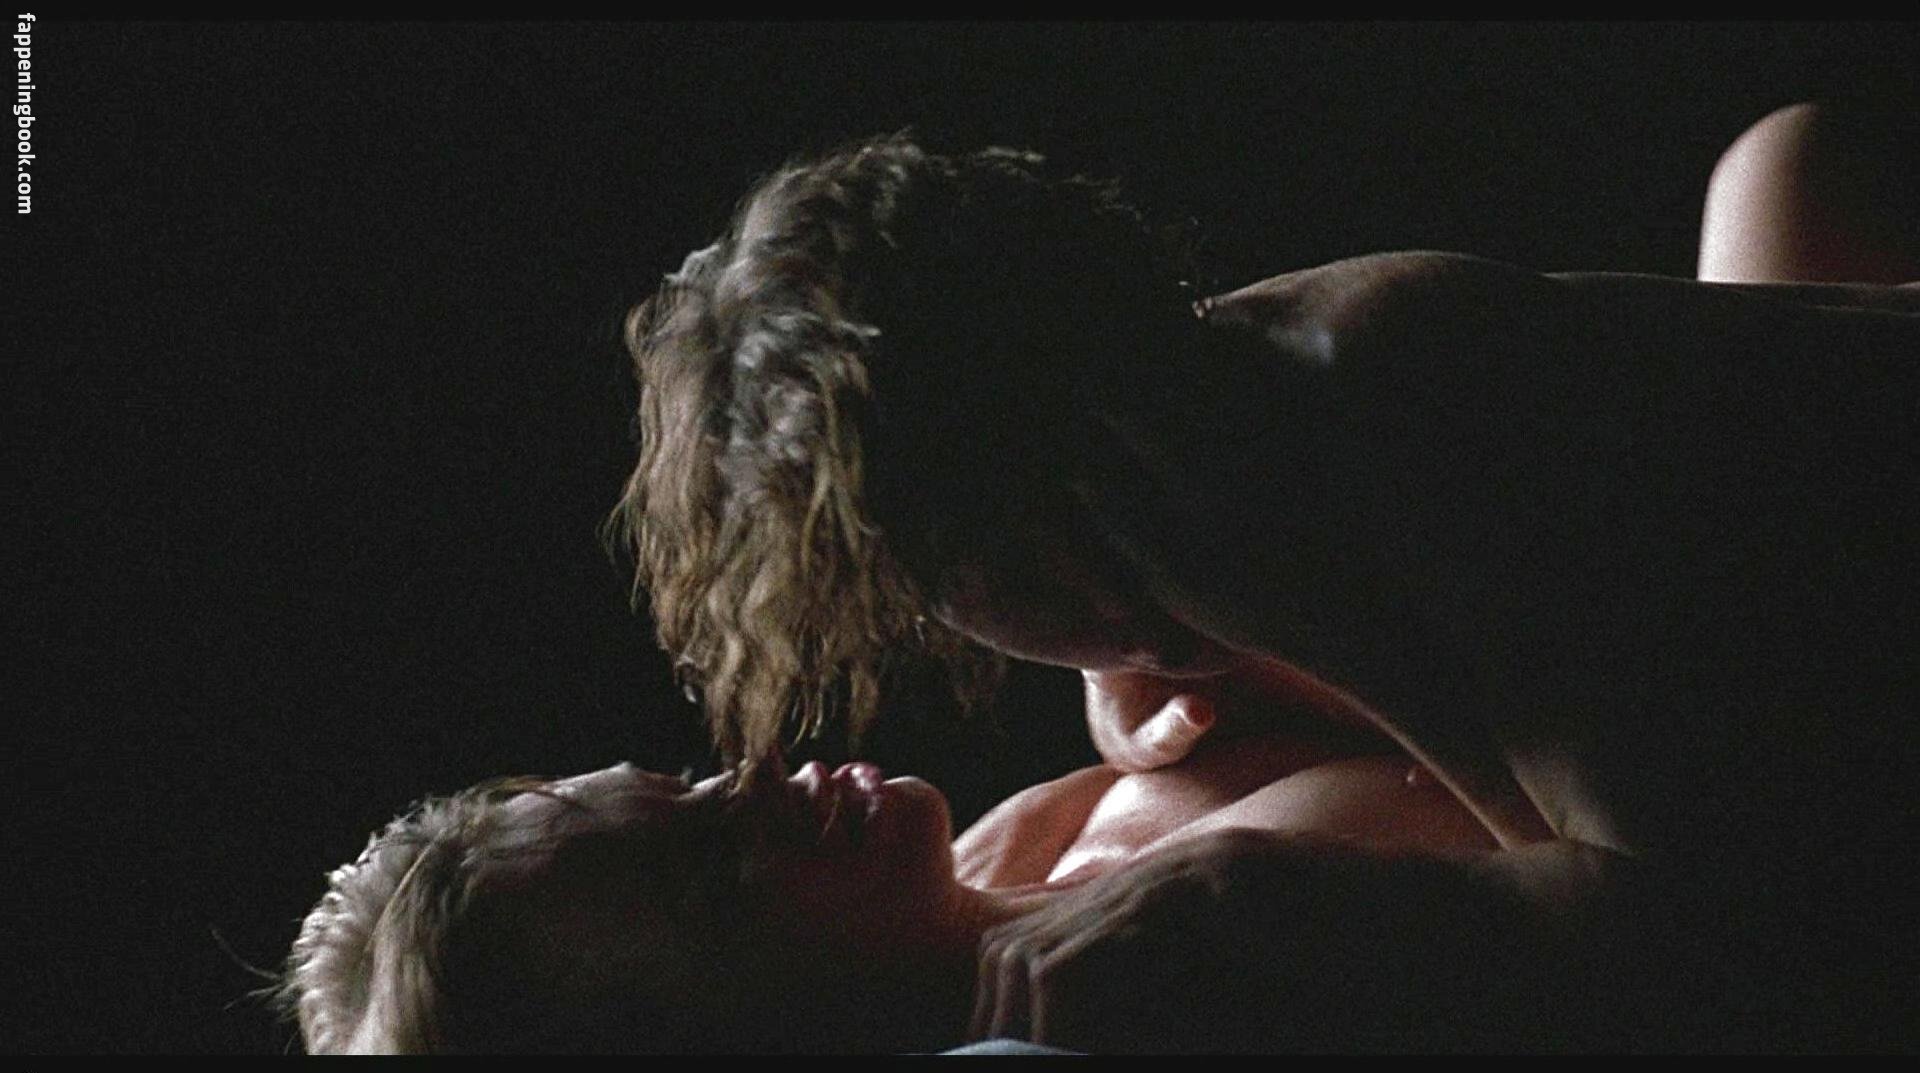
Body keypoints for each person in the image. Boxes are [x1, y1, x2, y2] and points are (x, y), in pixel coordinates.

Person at [609, 103, 1920, 1050]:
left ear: (1006, 531)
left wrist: (1257, 888)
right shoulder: (1231, 409)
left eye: (935, 585)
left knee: (1795, 167)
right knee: (1790, 164)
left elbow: (1741, 931)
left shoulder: (1367, 422)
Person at [280, 715, 1504, 1053]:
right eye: (715, 867)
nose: (757, 776)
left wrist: (1163, 662)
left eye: (688, 783)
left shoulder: (998, 855)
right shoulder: (1153, 993)